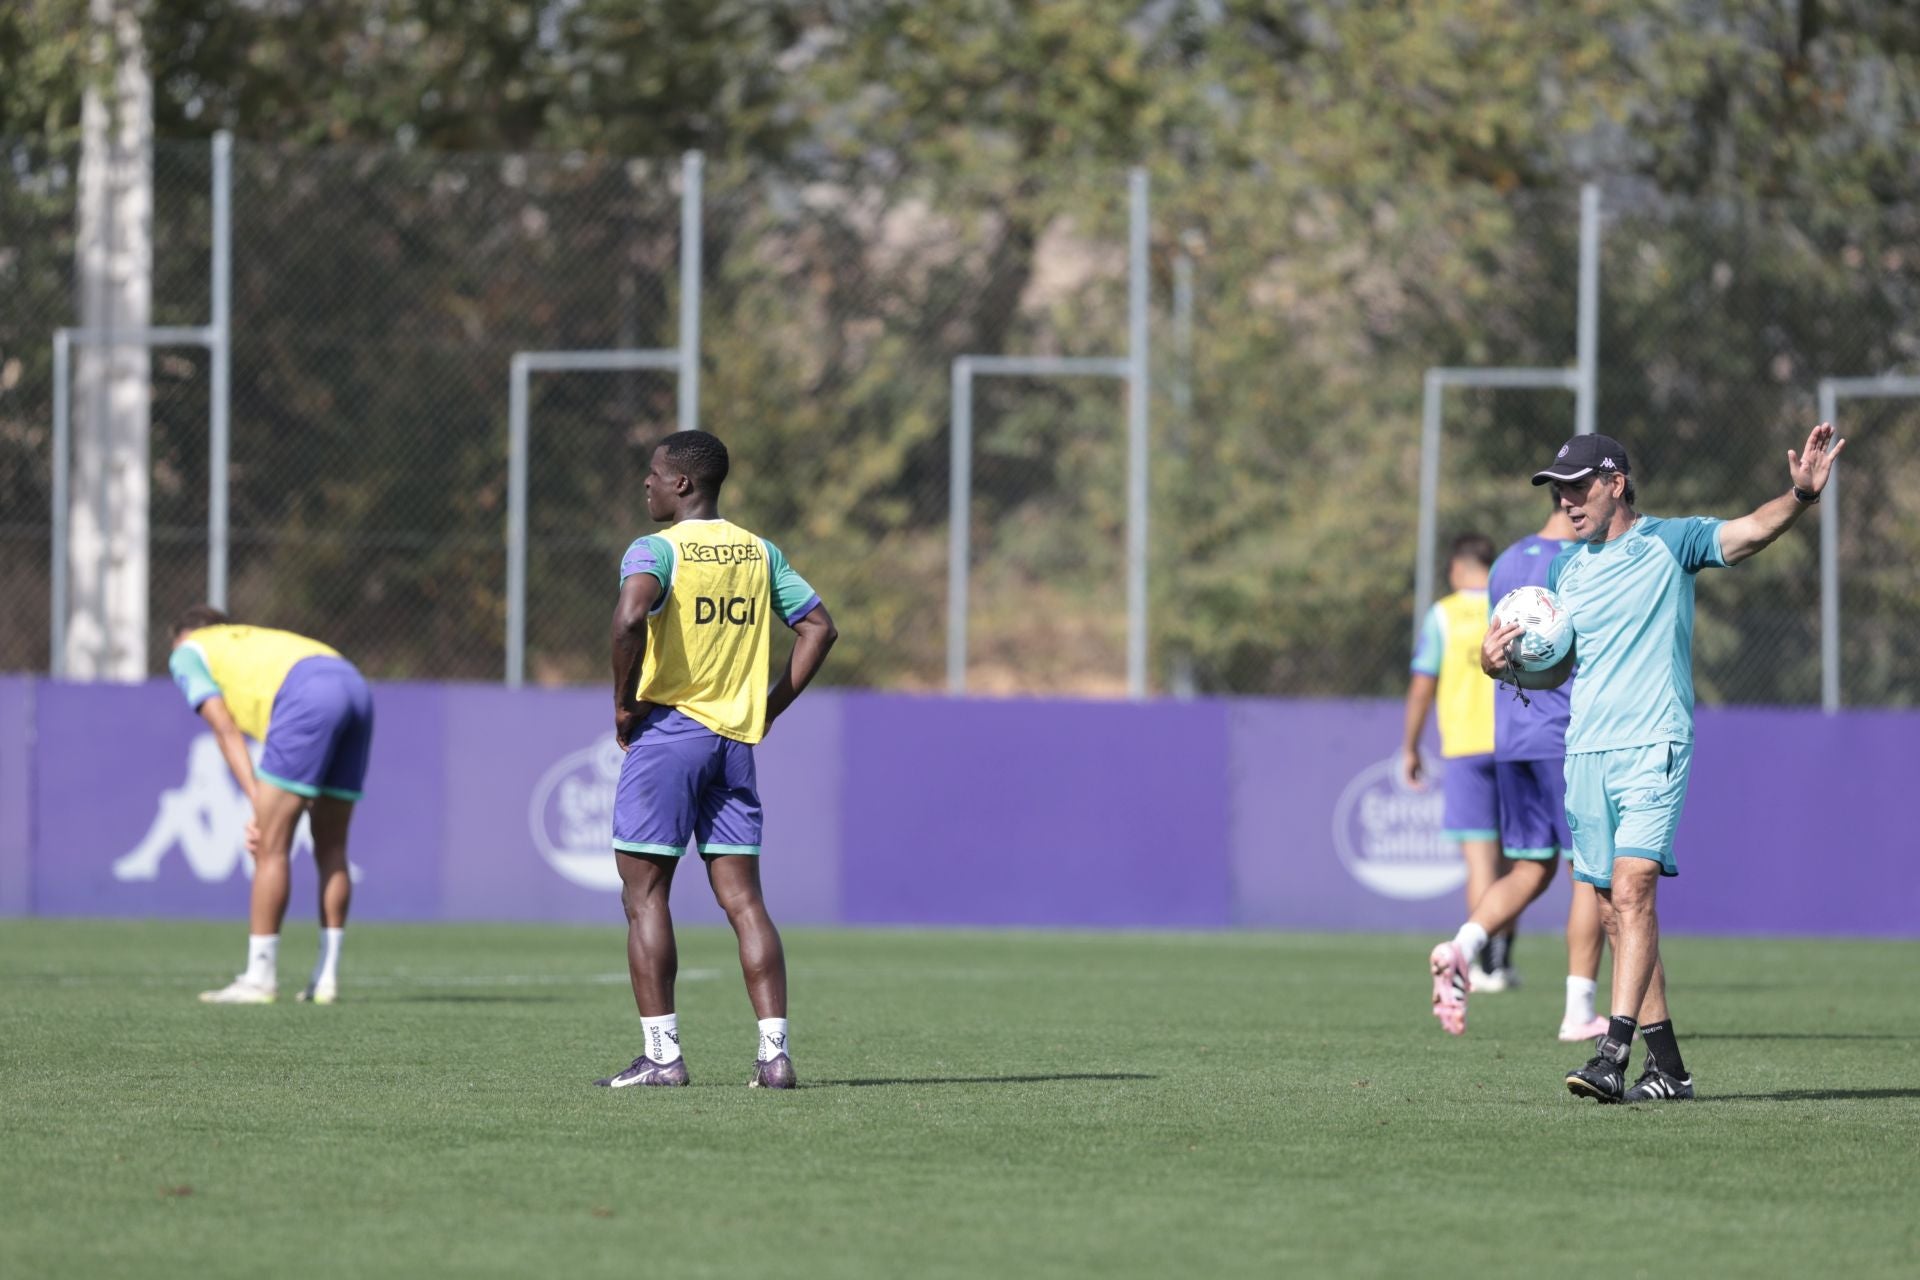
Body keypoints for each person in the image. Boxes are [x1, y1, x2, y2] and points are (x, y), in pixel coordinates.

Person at [1482, 425, 1843, 1103]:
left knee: (1634, 885)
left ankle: (1611, 1052)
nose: (1566, 502)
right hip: (1585, 750)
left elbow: (1752, 531)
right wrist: (1502, 666)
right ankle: (1670, 1069)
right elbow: (1562, 662)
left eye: (1577, 487)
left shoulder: (1671, 542)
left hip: (1654, 742)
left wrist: (1799, 495)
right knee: (1618, 915)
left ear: (1615, 483)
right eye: (1557, 492)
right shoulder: (1568, 569)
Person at [595, 430, 837, 1090]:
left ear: (683, 485)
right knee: (746, 903)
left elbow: (627, 619)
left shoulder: (656, 551)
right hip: (734, 744)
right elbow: (819, 627)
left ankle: (663, 1058)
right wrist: (769, 706)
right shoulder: (760, 552)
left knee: (644, 898)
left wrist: (623, 703)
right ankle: (775, 1057)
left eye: (653, 474)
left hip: (670, 734)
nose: (645, 484)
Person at [1427, 500, 1610, 1041]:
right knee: (1589, 870)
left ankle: (1461, 948)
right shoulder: (1583, 559)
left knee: (1531, 866)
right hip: (1564, 736)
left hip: (1510, 736)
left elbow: (1497, 650)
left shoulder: (1507, 561)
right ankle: (1579, 1010)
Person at [168, 606, 374, 1004]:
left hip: (307, 693)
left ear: (184, 635)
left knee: (270, 845)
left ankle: (259, 978)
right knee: (332, 846)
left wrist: (257, 801)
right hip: (354, 684)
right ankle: (326, 978)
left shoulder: (187, 651)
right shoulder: (250, 638)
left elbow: (225, 729)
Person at [1401, 532, 1512, 991]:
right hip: (1515, 741)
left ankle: (1481, 965)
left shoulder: (1443, 614)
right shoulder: (1512, 605)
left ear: (1455, 568)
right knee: (1517, 858)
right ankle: (1501, 961)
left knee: (1480, 859)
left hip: (1467, 746)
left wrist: (1410, 745)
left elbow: (1423, 684)